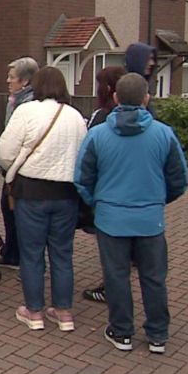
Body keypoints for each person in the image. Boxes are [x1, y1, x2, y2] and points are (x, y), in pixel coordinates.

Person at [74, 73, 188, 353]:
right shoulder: (164, 134)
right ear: (146, 98)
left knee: (116, 276)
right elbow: (179, 179)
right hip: (149, 220)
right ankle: (157, 334)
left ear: (115, 98)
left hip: (110, 218)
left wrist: (98, 203)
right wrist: (157, 201)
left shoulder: (97, 135)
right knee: (153, 277)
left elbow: (82, 178)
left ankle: (122, 331)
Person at [0, 66, 87, 331]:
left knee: (32, 253)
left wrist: (12, 168)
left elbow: (4, 150)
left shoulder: (26, 111)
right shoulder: (75, 116)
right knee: (62, 253)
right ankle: (64, 312)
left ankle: (34, 311)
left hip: (31, 192)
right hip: (67, 193)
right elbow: (83, 154)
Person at [0, 57, 40, 270]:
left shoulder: (26, 106)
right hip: (14, 167)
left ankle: (17, 256)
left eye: (12, 77)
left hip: (20, 169)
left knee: (14, 211)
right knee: (10, 210)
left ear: (25, 81)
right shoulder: (16, 100)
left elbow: (15, 141)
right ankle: (12, 253)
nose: (8, 81)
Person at [81, 65, 127, 303]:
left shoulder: (101, 118)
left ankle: (111, 290)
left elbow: (86, 158)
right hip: (135, 194)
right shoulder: (148, 121)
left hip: (107, 193)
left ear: (107, 88)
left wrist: (88, 196)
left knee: (110, 246)